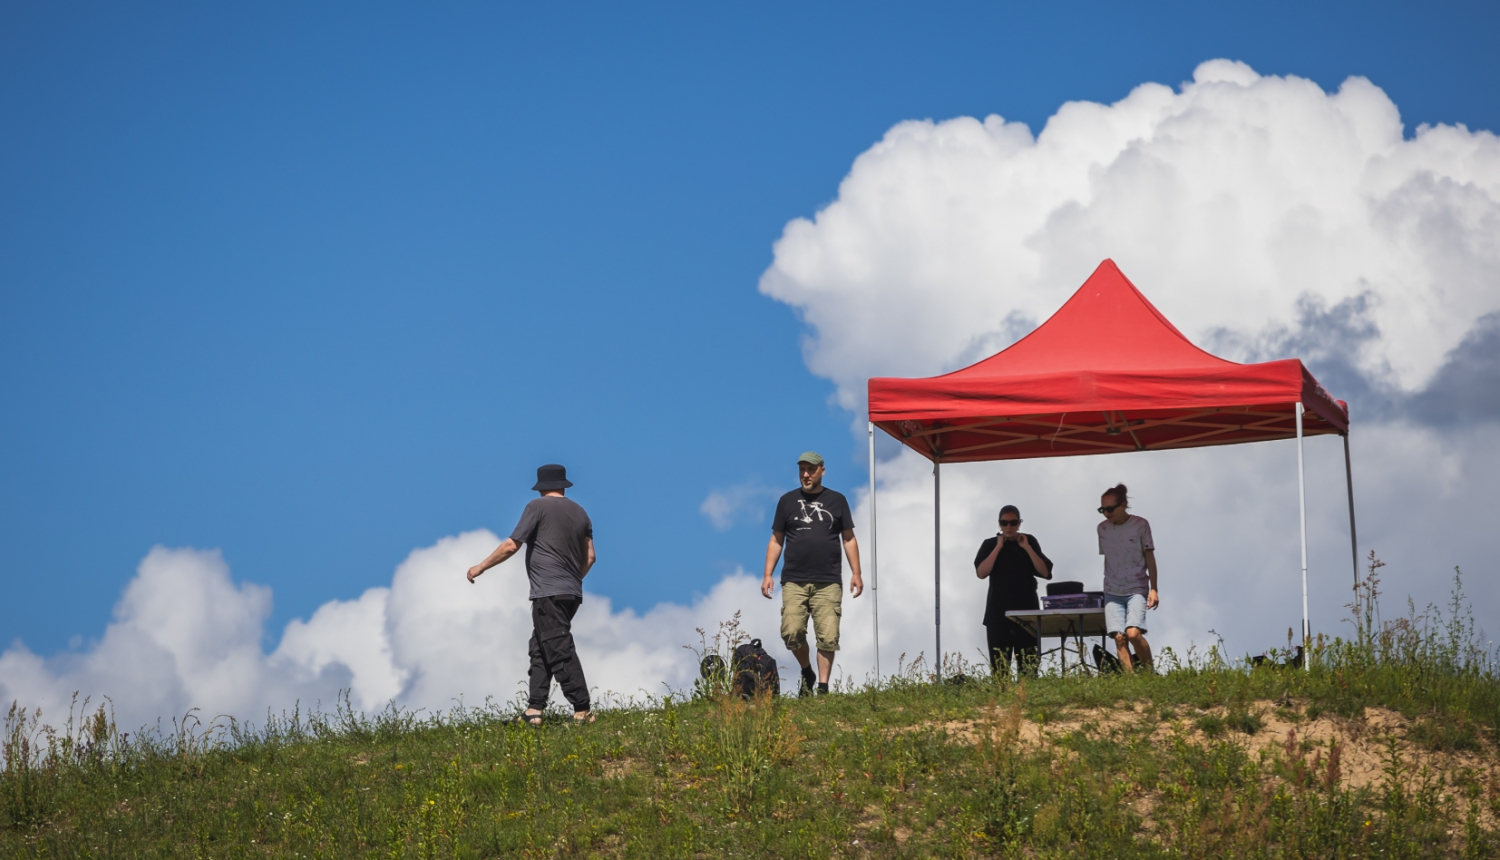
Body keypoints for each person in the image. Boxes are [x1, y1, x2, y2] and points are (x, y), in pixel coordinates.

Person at [467, 464, 596, 724]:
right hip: (572, 593)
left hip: (547, 592)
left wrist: (480, 567)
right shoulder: (581, 512)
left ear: (540, 487)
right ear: (563, 485)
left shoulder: (536, 508)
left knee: (559, 647)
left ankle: (582, 710)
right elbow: (590, 557)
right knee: (540, 646)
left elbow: (511, 545)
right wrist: (571, 580)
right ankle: (533, 711)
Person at [761, 451, 864, 697]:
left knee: (828, 637)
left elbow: (848, 538)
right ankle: (807, 670)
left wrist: (856, 573)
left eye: (811, 470)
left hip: (828, 581)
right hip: (794, 580)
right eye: (802, 470)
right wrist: (767, 574)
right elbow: (776, 540)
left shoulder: (837, 500)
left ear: (822, 471)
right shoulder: (786, 501)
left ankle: (823, 689)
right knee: (792, 632)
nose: (805, 475)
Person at [974, 505, 1054, 677]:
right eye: (1004, 523)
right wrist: (998, 547)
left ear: (1019, 523)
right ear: (999, 524)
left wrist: (1027, 547)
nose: (1009, 527)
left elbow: (1045, 571)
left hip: (1027, 615)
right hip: (998, 615)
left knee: (1029, 669)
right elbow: (981, 572)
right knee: (1000, 670)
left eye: (1013, 522)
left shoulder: (1029, 541)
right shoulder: (989, 544)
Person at [1097, 483, 1158, 673]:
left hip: (1136, 588)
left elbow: (1149, 556)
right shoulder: (1102, 529)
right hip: (1112, 590)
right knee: (1119, 637)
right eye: (1102, 510)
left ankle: (1149, 674)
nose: (1106, 513)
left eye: (1110, 509)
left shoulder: (1141, 524)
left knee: (1133, 633)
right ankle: (1130, 684)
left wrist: (1154, 588)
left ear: (1123, 505)